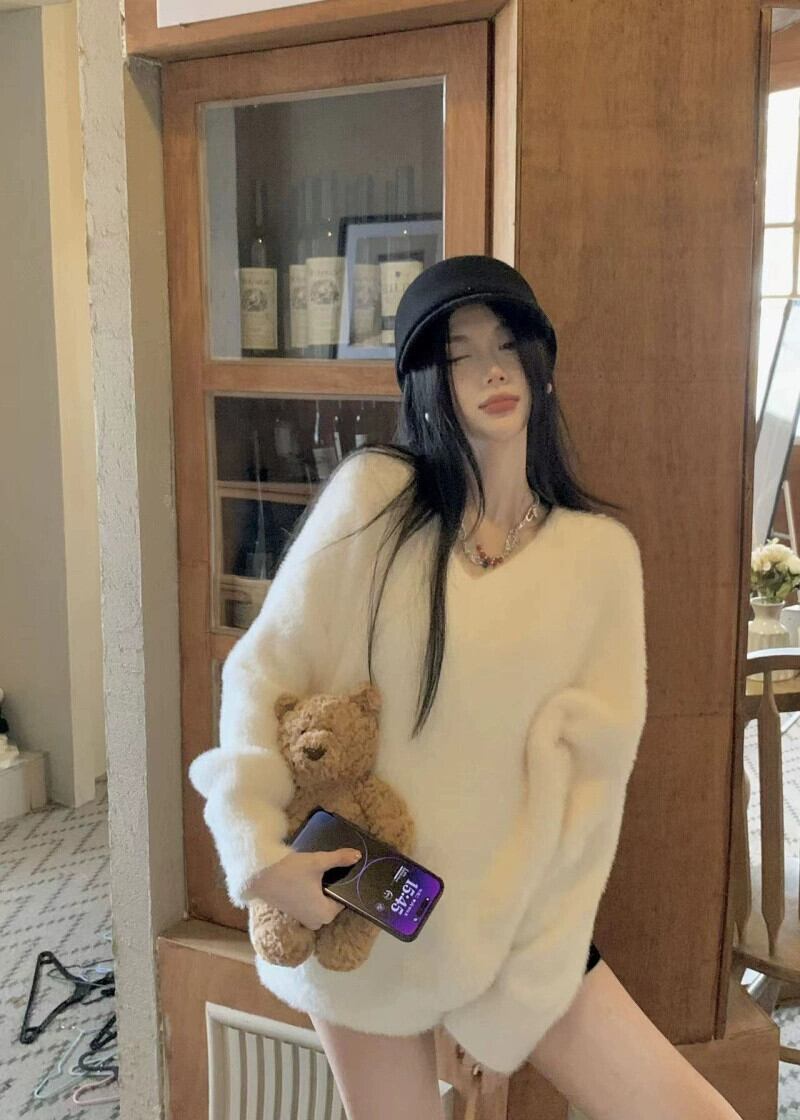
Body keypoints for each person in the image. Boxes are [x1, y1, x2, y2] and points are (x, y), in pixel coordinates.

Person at [189, 256, 742, 1120]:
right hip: (366, 895)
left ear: (539, 365)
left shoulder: (598, 561)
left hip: (512, 931)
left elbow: (590, 796)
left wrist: (509, 1009)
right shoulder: (375, 503)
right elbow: (260, 674)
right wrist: (261, 859)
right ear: (426, 385)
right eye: (459, 355)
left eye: (507, 345)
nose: (491, 370)